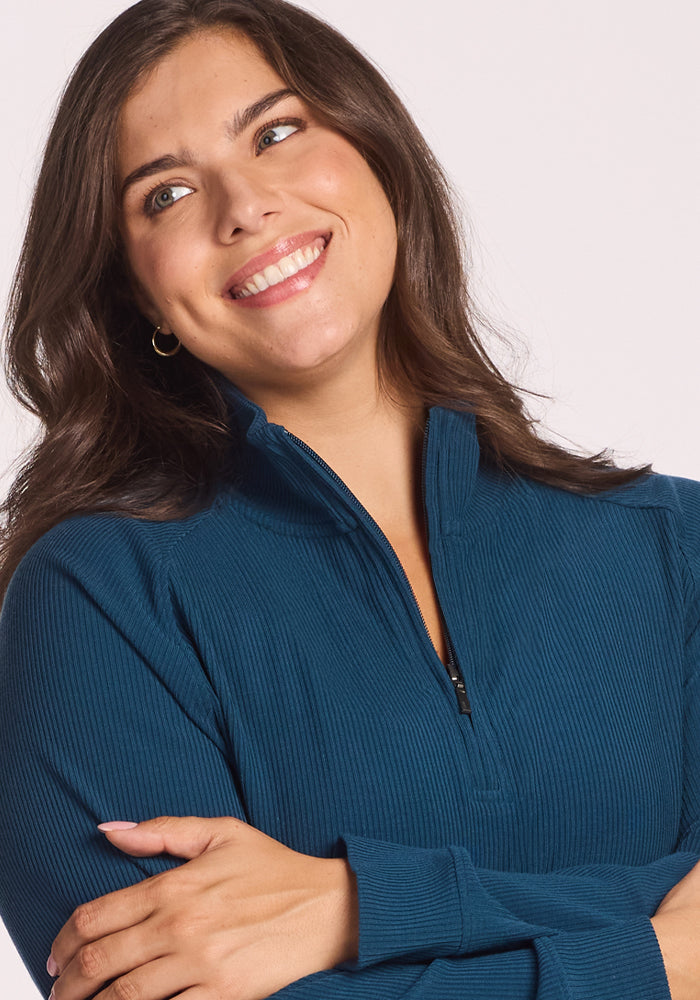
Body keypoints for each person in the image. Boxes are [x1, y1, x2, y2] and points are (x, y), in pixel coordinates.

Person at [1, 1, 700, 998]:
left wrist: (360, 907)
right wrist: (661, 958)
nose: (242, 207)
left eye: (277, 134)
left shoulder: (677, 550)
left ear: (377, 156)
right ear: (137, 296)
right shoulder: (95, 602)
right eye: (165, 194)